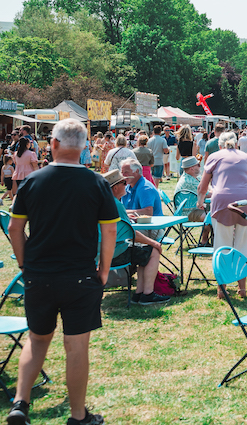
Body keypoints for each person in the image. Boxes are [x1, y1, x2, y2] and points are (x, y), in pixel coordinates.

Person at [7, 118, 118, 425]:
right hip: (80, 275)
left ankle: (20, 403)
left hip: (39, 273)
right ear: (84, 147)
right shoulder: (97, 183)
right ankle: (78, 416)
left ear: (53, 143)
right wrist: (104, 269)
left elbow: (15, 228)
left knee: (37, 339)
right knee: (77, 345)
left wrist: (23, 263)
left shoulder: (32, 181)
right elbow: (110, 231)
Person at [196, 131, 247, 300]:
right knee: (244, 245)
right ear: (237, 143)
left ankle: (221, 289)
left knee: (222, 244)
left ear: (220, 145)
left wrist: (200, 202)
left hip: (223, 201)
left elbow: (202, 186)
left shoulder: (214, 157)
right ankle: (242, 288)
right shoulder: (246, 157)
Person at [103, 170, 169, 305]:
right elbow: (131, 233)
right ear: (115, 188)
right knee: (153, 250)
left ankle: (139, 293)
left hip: (101, 253)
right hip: (116, 253)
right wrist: (154, 243)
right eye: (123, 182)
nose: (126, 184)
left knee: (144, 251)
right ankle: (148, 293)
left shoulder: (102, 203)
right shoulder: (116, 205)